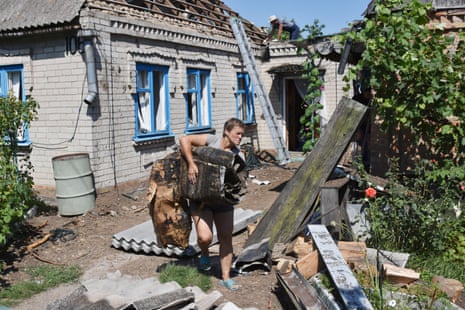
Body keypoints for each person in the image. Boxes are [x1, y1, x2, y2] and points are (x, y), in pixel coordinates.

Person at [179, 118, 245, 291]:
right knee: (205, 237)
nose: (240, 137)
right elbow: (184, 139)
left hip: (222, 203)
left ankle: (225, 277)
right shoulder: (212, 140)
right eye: (237, 133)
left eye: (242, 135)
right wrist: (191, 164)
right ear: (226, 132)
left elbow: (239, 183)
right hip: (200, 200)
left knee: (225, 237)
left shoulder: (238, 155)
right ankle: (205, 253)